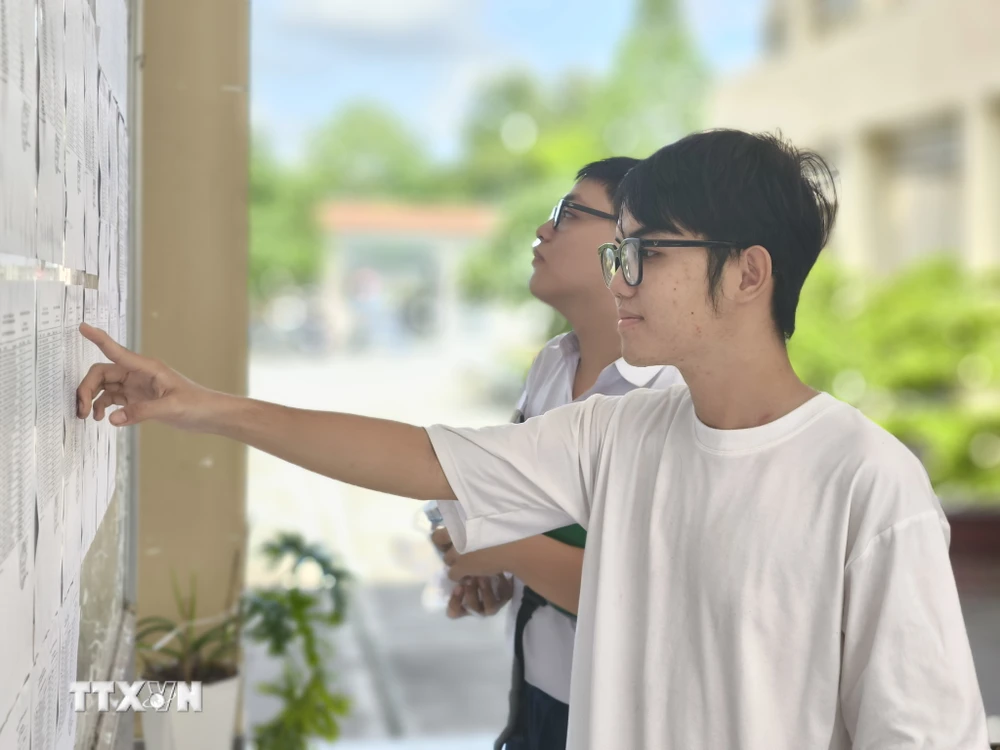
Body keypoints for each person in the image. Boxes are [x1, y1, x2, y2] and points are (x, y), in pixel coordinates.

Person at [76, 129, 989, 750]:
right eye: (616, 249)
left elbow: (920, 732)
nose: (620, 277)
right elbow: (418, 457)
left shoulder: (868, 485)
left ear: (750, 273)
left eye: (647, 254)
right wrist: (200, 405)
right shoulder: (621, 432)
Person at [431, 156, 684, 750]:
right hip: (542, 698)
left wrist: (490, 540)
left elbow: (637, 595)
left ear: (632, 241)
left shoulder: (674, 393)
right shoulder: (553, 364)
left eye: (568, 214)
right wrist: (499, 572)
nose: (543, 230)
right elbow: (522, 513)